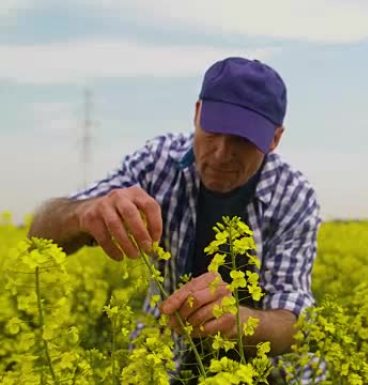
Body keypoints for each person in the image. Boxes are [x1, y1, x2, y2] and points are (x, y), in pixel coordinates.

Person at [28, 57, 321, 383]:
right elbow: (39, 231)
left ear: (274, 139)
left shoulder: (294, 195)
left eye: (242, 140)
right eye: (213, 131)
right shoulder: (157, 161)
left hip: (268, 370)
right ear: (197, 113)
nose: (222, 153)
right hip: (163, 356)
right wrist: (83, 213)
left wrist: (235, 321)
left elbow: (294, 322)